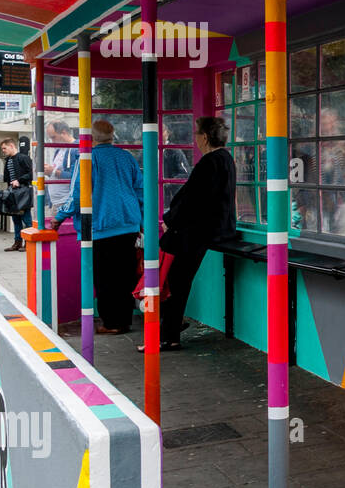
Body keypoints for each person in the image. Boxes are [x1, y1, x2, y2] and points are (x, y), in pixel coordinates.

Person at [145, 117, 235, 351]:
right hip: (214, 230)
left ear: (204, 137)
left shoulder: (208, 163)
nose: (195, 138)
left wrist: (169, 221)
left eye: (197, 134)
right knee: (178, 282)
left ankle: (168, 335)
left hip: (195, 232)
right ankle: (170, 329)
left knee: (174, 283)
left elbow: (191, 200)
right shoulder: (226, 159)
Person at [49, 120, 144, 334]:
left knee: (105, 277)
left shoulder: (87, 159)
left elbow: (76, 195)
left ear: (91, 138)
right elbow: (141, 190)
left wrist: (59, 218)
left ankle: (111, 323)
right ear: (112, 136)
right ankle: (124, 319)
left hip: (100, 226)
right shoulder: (126, 157)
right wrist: (142, 222)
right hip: (128, 223)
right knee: (125, 274)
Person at [0, 138, 34, 252]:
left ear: (11, 145)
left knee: (26, 218)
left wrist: (19, 180)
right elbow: (8, 177)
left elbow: (32, 172)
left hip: (23, 192)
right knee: (16, 219)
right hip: (13, 192)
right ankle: (17, 242)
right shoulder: (8, 160)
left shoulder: (23, 158)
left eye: (4, 148)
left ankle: (28, 243)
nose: (3, 150)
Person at [44, 120, 77, 211]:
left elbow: (76, 177)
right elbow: (58, 172)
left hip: (67, 202)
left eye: (53, 137)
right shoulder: (59, 150)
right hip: (56, 202)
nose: (52, 141)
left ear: (63, 132)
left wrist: (53, 171)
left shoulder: (75, 149)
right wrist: (50, 172)